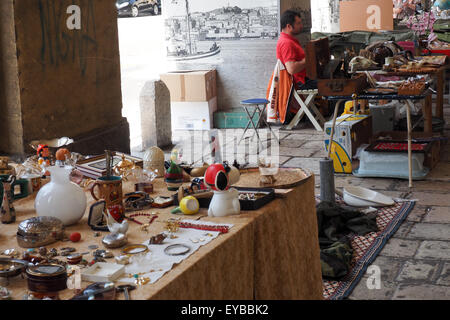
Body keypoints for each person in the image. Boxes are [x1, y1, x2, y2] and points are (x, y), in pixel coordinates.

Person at [276, 10, 316, 90]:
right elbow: (292, 69)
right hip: (299, 83)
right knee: (331, 85)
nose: (301, 26)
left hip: (304, 79)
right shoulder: (286, 43)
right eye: (298, 23)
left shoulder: (290, 40)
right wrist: (310, 58)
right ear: (289, 26)